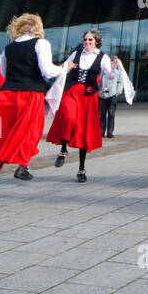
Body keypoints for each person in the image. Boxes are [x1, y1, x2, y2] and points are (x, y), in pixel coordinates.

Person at [0, 13, 75, 211]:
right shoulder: (41, 44)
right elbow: (47, 71)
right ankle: (21, 167)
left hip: (5, 97)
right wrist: (65, 67)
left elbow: (4, 74)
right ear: (36, 27)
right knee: (27, 135)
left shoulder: (8, 48)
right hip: (29, 96)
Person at [46, 29, 120, 183]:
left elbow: (109, 74)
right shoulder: (77, 53)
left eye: (90, 40)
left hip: (88, 95)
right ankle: (63, 149)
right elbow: (65, 67)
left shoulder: (102, 57)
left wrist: (113, 68)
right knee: (67, 115)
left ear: (96, 42)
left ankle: (81, 168)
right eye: (85, 39)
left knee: (83, 131)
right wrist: (64, 67)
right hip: (72, 91)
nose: (87, 42)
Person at [98, 50, 134, 138]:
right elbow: (98, 81)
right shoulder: (102, 71)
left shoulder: (117, 73)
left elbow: (120, 82)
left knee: (111, 114)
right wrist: (99, 90)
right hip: (102, 95)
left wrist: (118, 92)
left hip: (112, 95)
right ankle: (101, 131)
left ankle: (110, 132)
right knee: (101, 115)